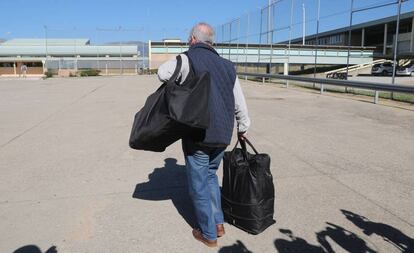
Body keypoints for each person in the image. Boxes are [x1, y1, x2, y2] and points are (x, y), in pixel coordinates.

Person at [157, 22, 250, 247]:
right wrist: (243, 126)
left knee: (198, 184)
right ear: (212, 42)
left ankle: (208, 234)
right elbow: (239, 101)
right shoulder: (228, 66)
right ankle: (218, 223)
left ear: (192, 40)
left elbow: (162, 73)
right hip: (222, 135)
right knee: (210, 176)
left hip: (198, 133)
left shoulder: (187, 58)